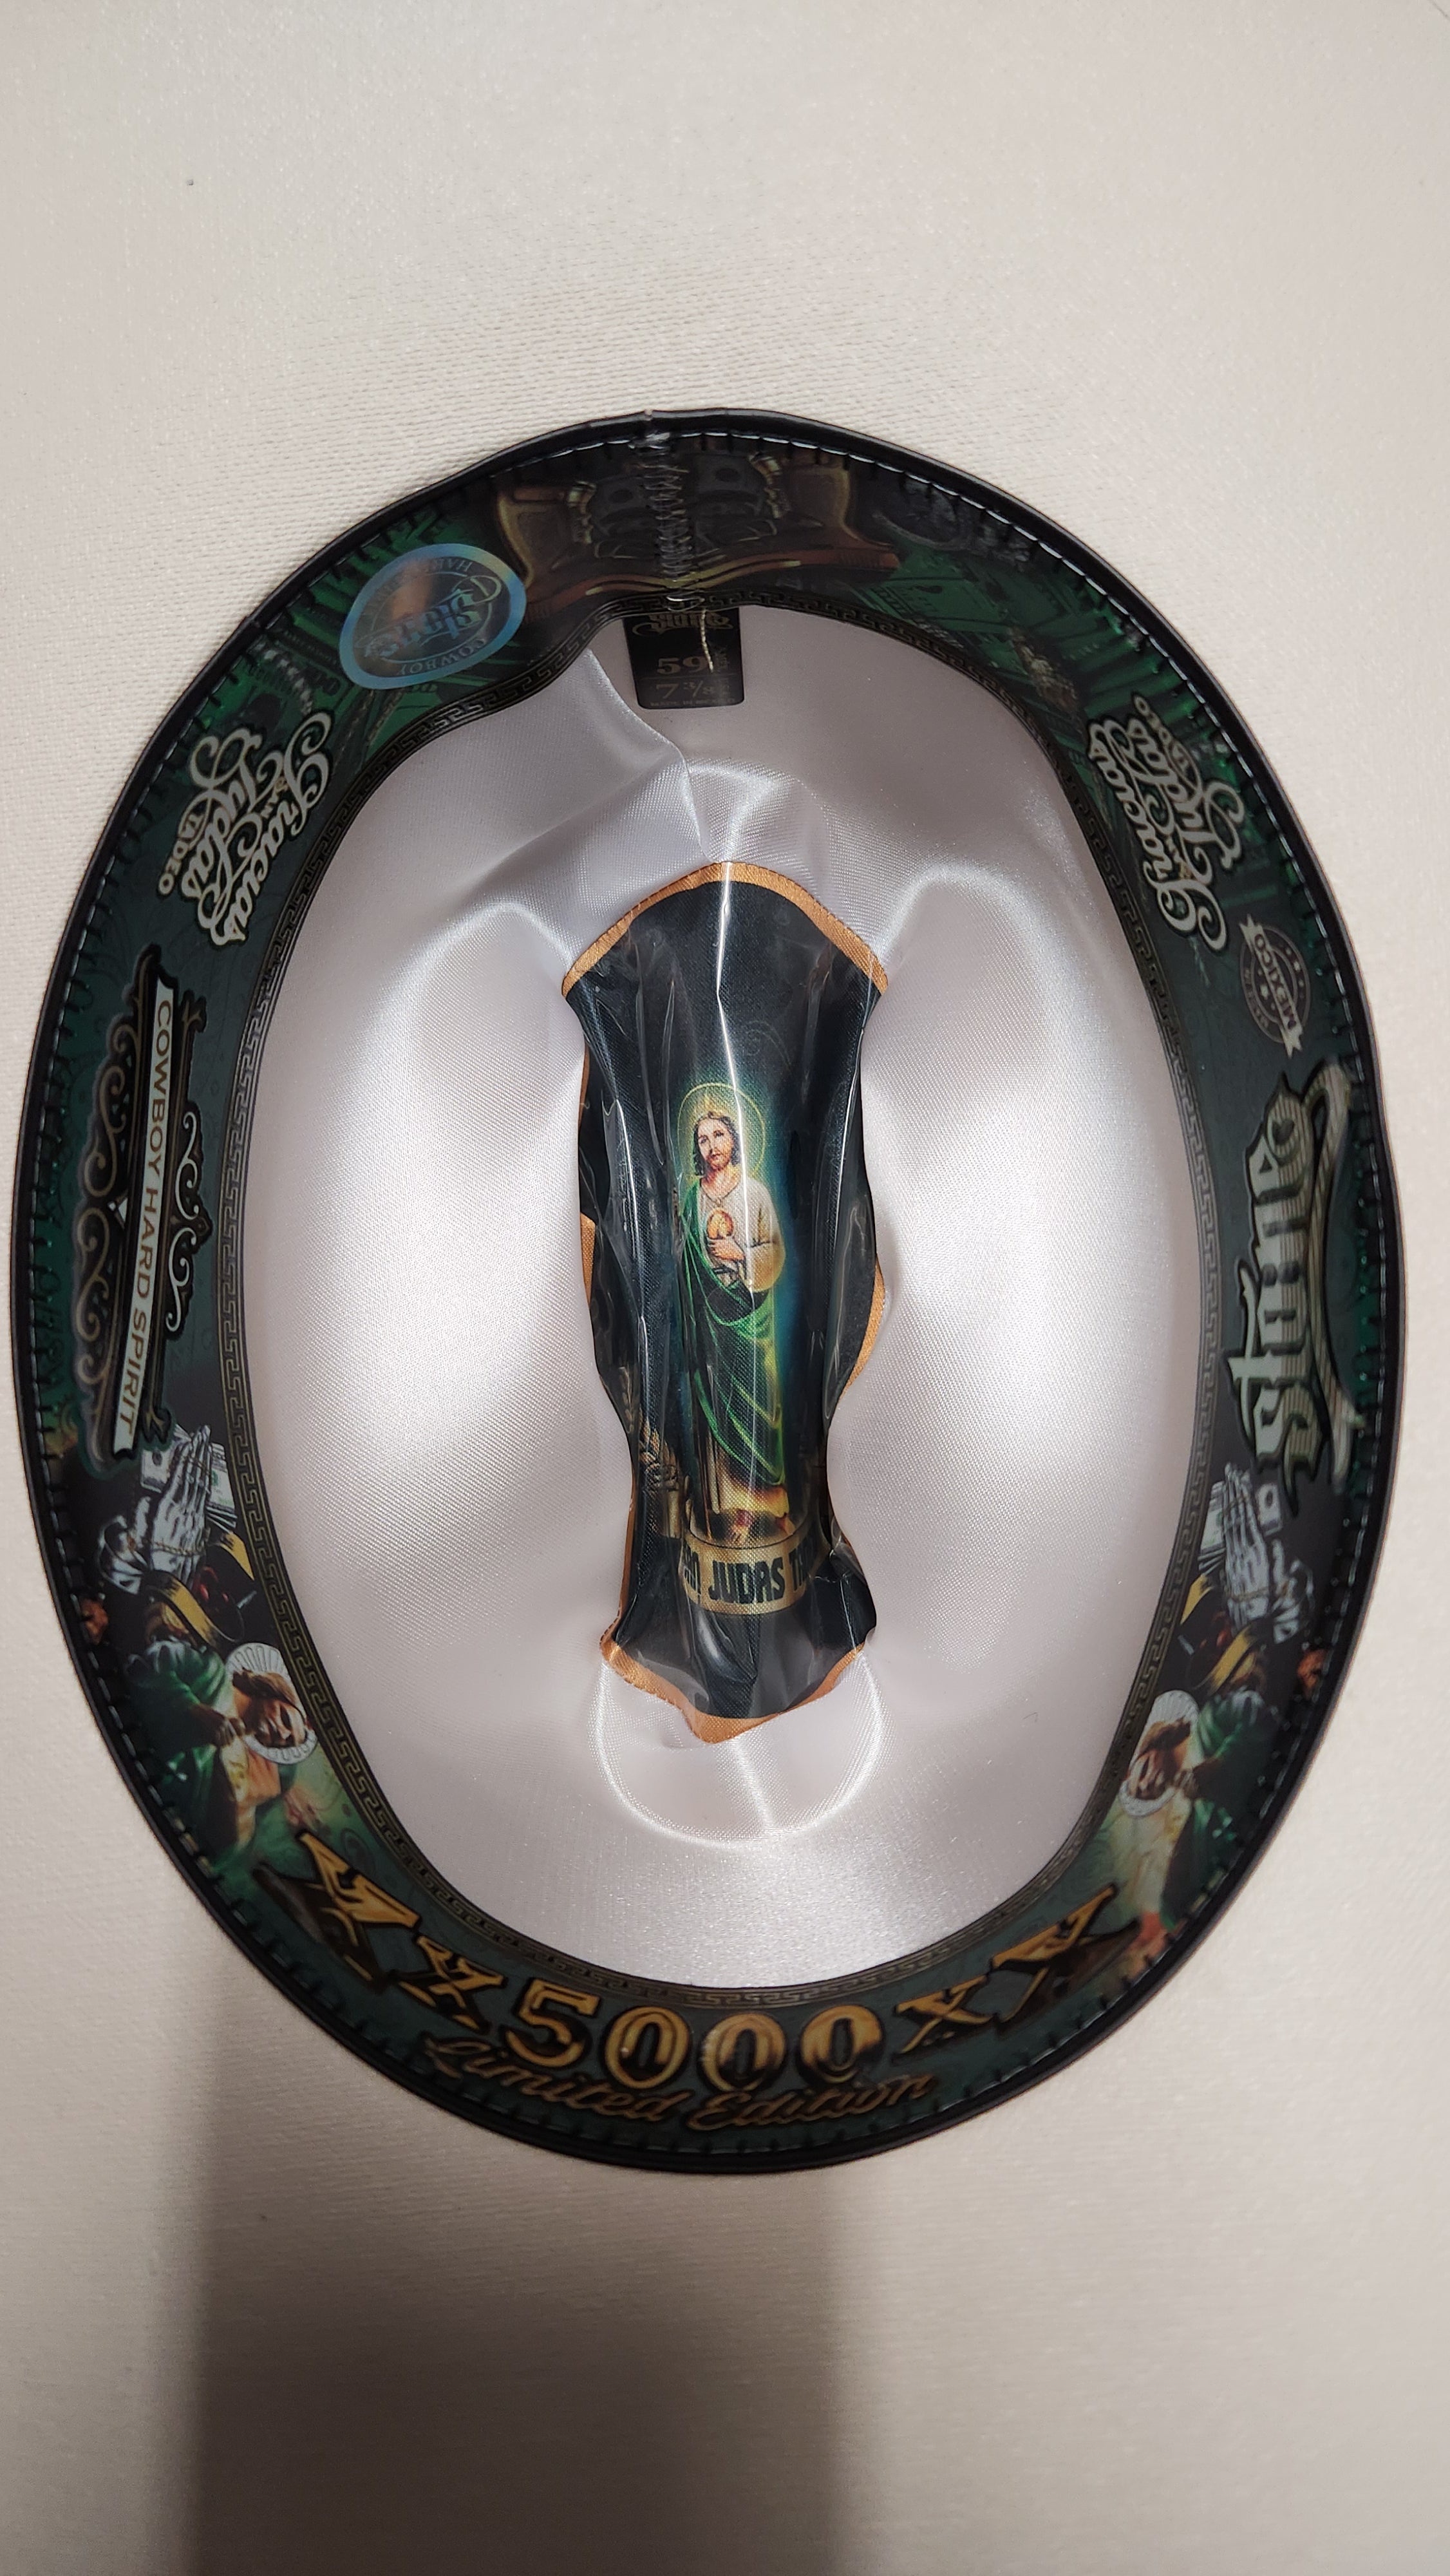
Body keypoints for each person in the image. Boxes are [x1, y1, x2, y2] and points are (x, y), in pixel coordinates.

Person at [677, 1103, 788, 1543]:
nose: (712, 1147)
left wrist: (741, 1254)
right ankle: (735, 1512)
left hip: (749, 1320)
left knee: (758, 1409)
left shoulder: (755, 1193)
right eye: (703, 1140)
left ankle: (773, 1506)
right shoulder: (692, 1199)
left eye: (719, 1136)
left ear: (734, 1139)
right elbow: (684, 1260)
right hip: (710, 1323)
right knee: (718, 1419)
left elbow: (775, 1250)